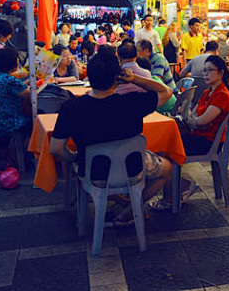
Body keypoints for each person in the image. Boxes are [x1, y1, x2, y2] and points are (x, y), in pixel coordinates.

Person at [49, 51, 176, 224]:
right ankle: (131, 209)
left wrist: (76, 158)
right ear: (117, 78)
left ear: (89, 78)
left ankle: (123, 205)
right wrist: (135, 79)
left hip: (92, 172)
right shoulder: (132, 102)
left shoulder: (70, 108)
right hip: (132, 169)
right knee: (168, 167)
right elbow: (166, 91)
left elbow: (56, 149)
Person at [177, 55, 229, 156]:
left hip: (209, 141)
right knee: (167, 140)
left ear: (221, 73)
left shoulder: (222, 95)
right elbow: (194, 116)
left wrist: (191, 120)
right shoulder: (207, 92)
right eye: (204, 70)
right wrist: (193, 121)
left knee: (169, 145)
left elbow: (202, 121)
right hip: (197, 135)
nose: (206, 74)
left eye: (210, 70)